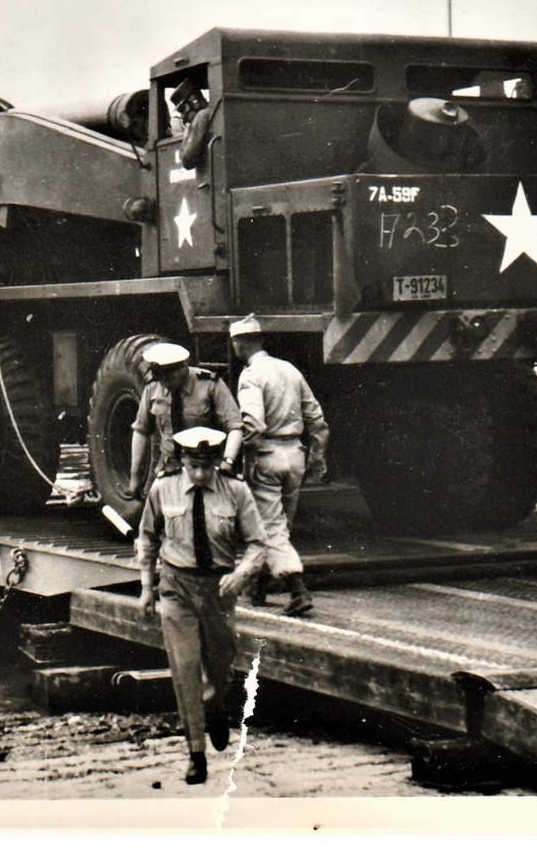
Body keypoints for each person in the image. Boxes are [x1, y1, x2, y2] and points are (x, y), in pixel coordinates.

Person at [137, 426, 267, 785]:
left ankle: (215, 704)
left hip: (219, 590)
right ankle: (196, 754)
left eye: (206, 466)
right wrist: (147, 587)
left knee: (221, 662)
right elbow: (147, 537)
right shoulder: (163, 489)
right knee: (186, 668)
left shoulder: (236, 491)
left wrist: (240, 575)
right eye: (194, 465)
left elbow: (258, 544)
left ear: (216, 463)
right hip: (177, 586)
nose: (200, 473)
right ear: (182, 461)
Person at [229, 314, 329, 617]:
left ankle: (298, 590)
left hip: (268, 456)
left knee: (270, 528)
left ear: (241, 343)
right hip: (295, 454)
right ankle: (259, 587)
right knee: (280, 525)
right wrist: (317, 456)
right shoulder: (290, 370)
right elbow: (317, 420)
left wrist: (242, 455)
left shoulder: (250, 376)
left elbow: (254, 425)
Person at [125, 342, 242, 502]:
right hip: (169, 469)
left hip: (204, 469)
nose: (164, 383)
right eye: (160, 377)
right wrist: (135, 476)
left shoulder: (210, 385)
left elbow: (235, 426)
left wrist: (227, 464)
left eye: (169, 376)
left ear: (182, 367)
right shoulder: (153, 388)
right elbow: (141, 430)